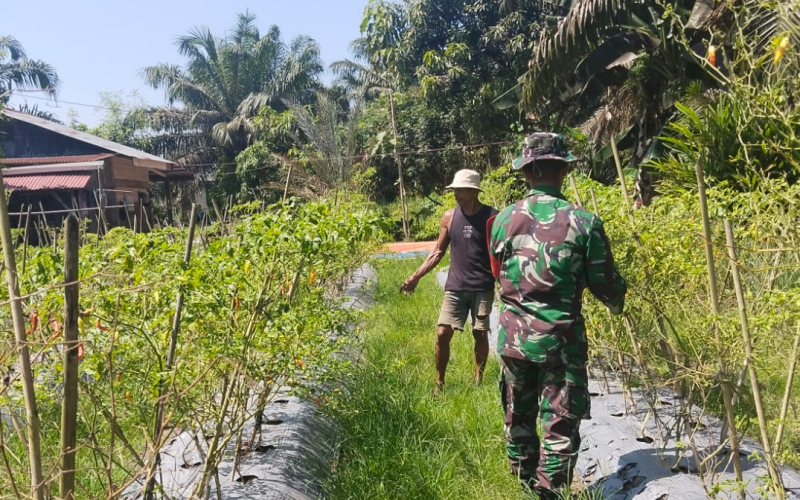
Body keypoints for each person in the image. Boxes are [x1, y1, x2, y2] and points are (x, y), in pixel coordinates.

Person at [489, 132, 627, 499]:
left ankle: (521, 483)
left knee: (517, 413)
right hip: (560, 342)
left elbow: (498, 274)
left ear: (527, 171)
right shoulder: (584, 222)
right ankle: (548, 493)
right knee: (560, 421)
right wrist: (617, 302)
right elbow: (605, 284)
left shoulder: (503, 221)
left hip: (513, 338)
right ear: (564, 169)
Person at [400, 169, 498, 392]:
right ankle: (440, 382)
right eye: (454, 190)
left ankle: (479, 380)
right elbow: (437, 252)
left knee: (480, 332)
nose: (456, 194)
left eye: (461, 190)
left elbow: (501, 253)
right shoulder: (449, 217)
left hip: (483, 286)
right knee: (443, 332)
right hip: (455, 285)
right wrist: (415, 277)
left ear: (474, 191)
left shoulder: (493, 217)